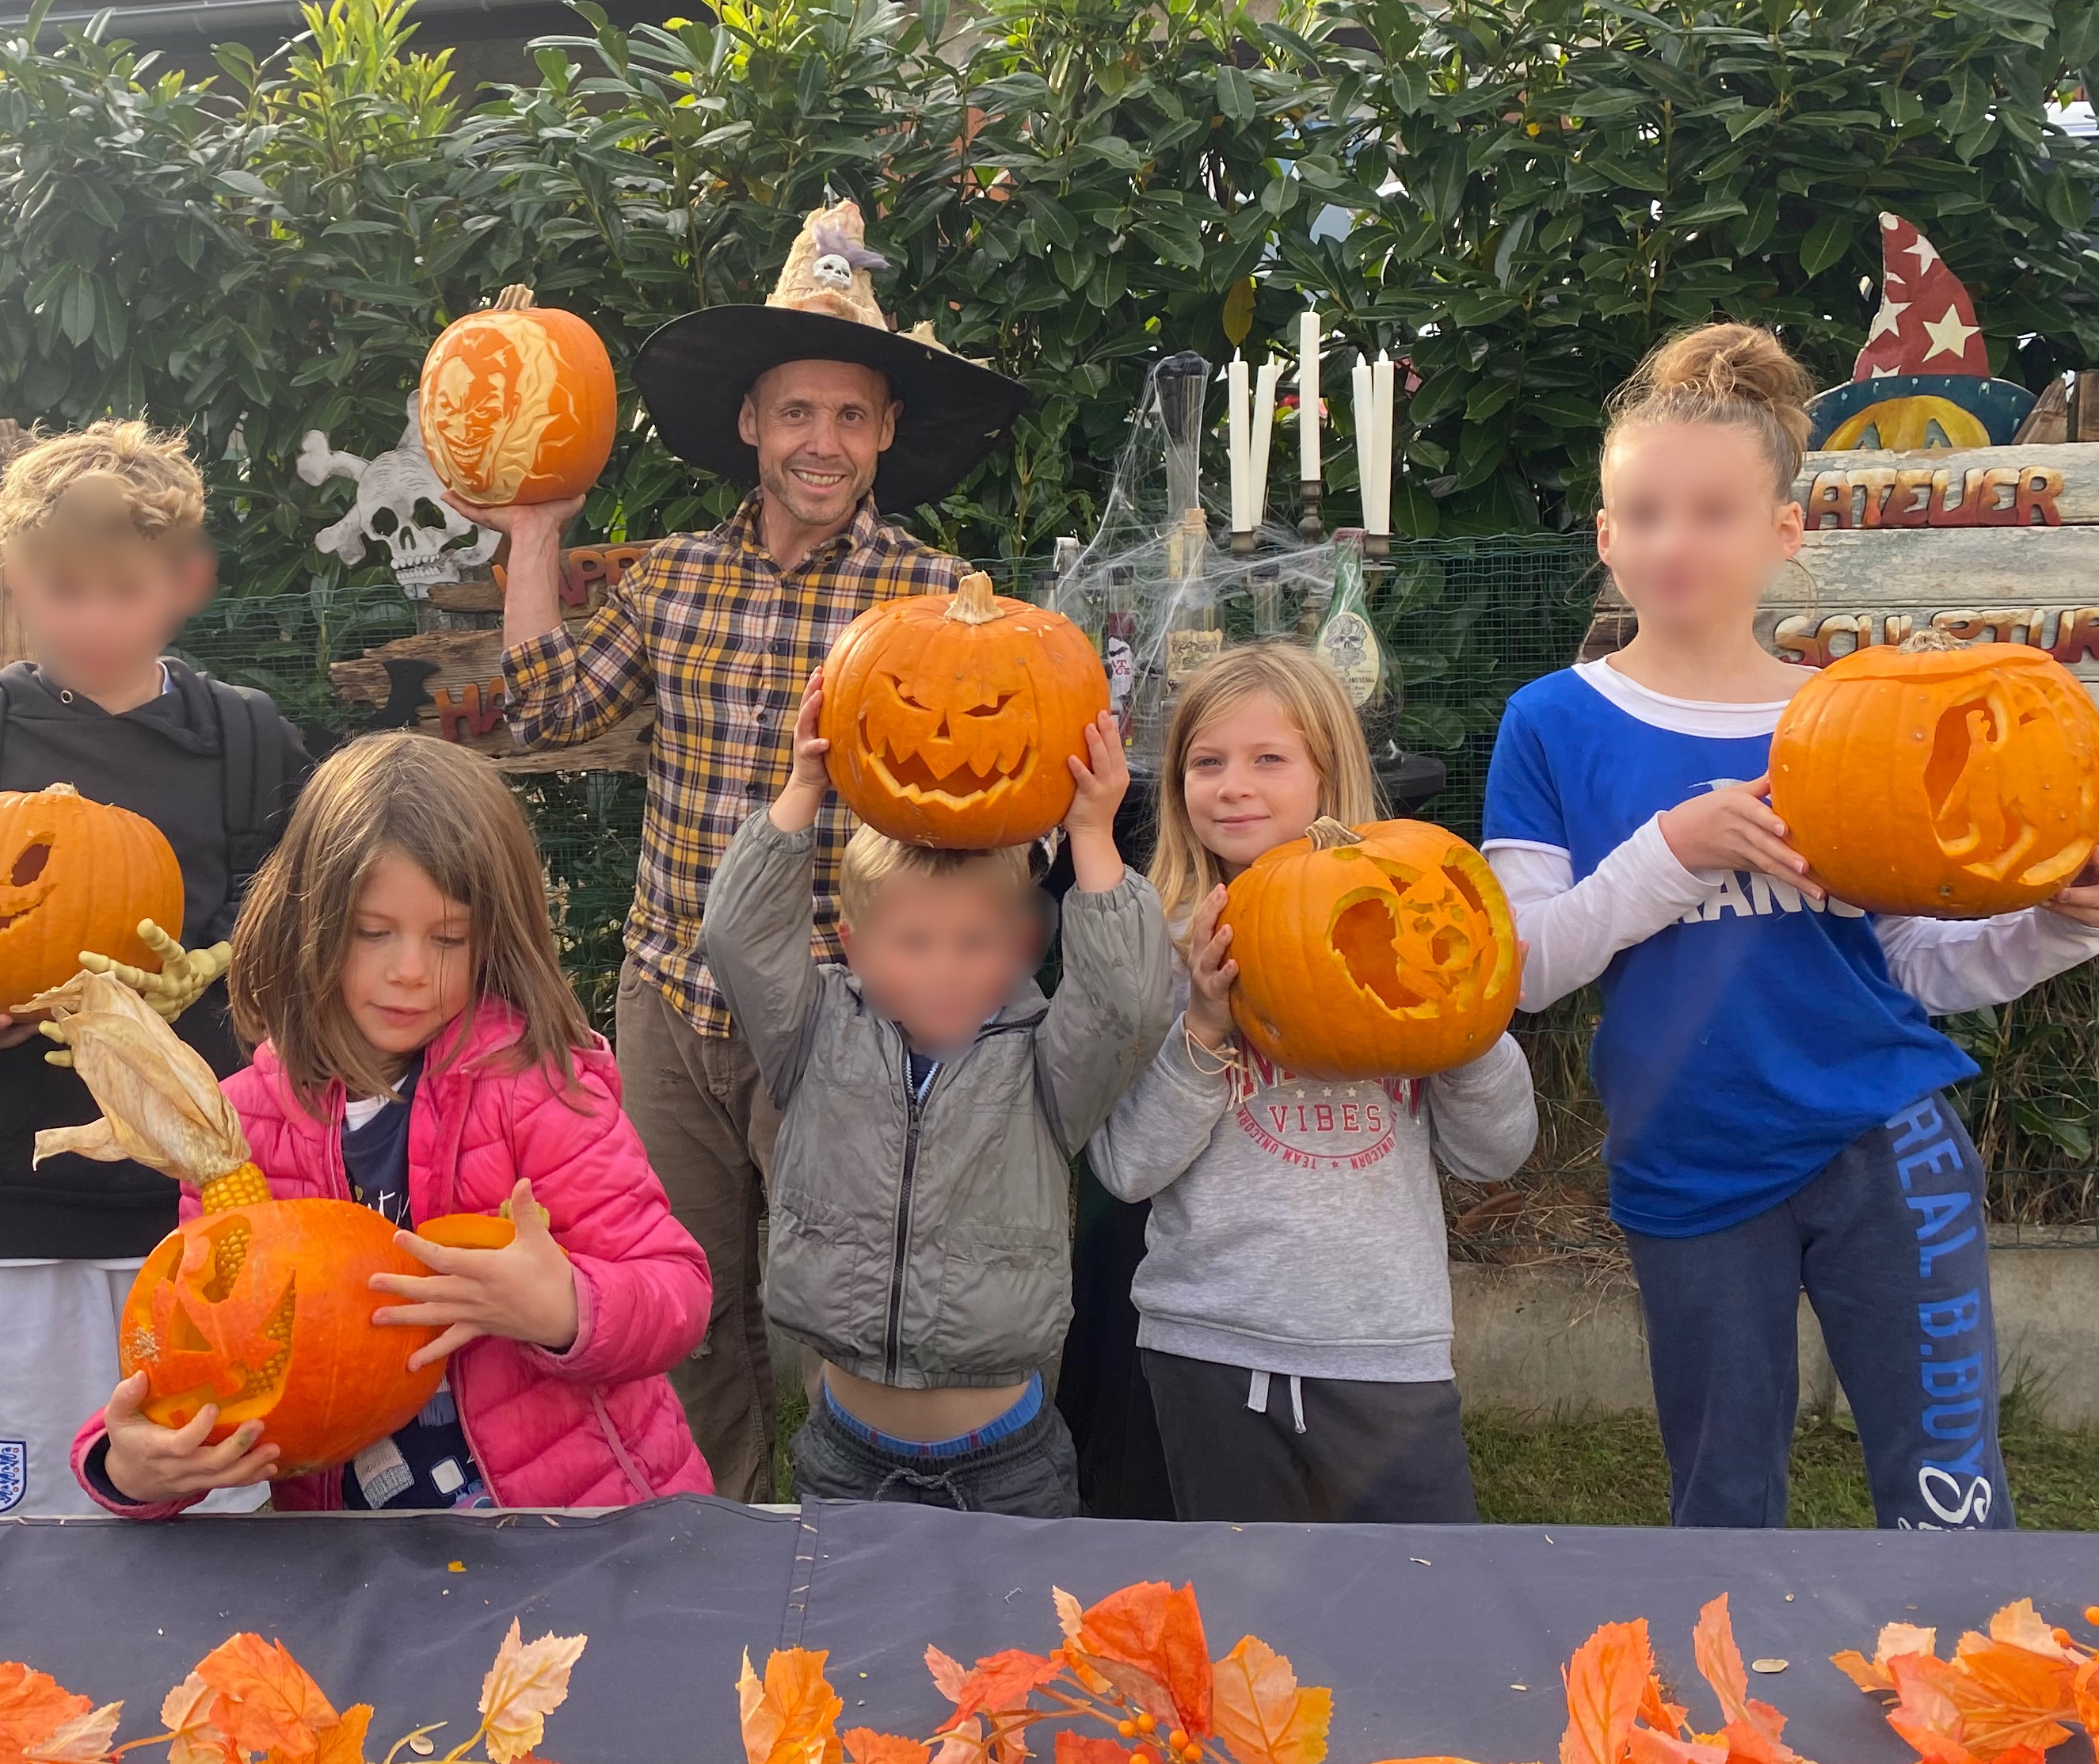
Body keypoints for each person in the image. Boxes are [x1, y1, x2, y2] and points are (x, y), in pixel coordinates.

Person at [1483, 323, 2099, 1531]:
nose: (1678, 540)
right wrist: (1672, 854)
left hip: (1887, 1142)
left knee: (1948, 1487)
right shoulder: (1552, 723)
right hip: (1689, 1155)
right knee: (1724, 1496)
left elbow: (1911, 965)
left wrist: (2066, 928)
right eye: (1647, 512)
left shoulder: (1851, 717)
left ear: (1786, 531)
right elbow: (1519, 971)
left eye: (1715, 512)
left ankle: (1966, 1706)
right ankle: (1736, 1724)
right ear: (1606, 538)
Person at [458, 200, 1025, 1499]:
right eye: (794, 412)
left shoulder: (934, 603)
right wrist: (535, 527)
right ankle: (707, 1540)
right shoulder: (669, 580)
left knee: (840, 1303)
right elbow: (548, 703)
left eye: (847, 415)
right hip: (668, 998)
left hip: (842, 1005)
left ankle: (851, 1542)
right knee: (678, 1304)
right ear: (751, 425)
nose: (818, 441)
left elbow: (983, 798)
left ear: (882, 432)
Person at [71, 734, 713, 1514]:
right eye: (374, 932)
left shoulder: (539, 1087)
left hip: (570, 1530)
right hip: (351, 1557)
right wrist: (127, 1465)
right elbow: (198, 1340)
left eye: (448, 938)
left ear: (492, 938)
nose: (410, 969)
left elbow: (674, 1292)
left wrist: (565, 1310)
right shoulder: (239, 1130)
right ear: (311, 921)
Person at [0, 421, 310, 1518]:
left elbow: (294, 967)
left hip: (206, 1214)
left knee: (215, 1503)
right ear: (16, 580)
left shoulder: (248, 746)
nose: (98, 620)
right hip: (13, 1216)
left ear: (177, 584)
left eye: (126, 591)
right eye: (66, 590)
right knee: (26, 1524)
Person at [700, 674, 1169, 1513]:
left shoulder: (1044, 1064)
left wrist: (1092, 833)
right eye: (914, 942)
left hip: (1006, 1463)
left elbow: (1127, 1003)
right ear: (853, 944)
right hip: (847, 1454)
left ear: (1022, 947)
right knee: (850, 1643)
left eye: (976, 943)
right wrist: (803, 789)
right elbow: (735, 938)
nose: (945, 971)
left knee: (1016, 1645)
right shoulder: (812, 1033)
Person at [1091, 643, 1535, 1526]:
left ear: (1328, 776)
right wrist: (1205, 1033)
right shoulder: (1165, 946)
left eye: (1269, 759)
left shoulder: (1411, 918)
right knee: (1241, 1617)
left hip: (1385, 1351)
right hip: (1209, 1345)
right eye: (1206, 763)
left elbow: (1494, 1152)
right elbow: (1127, 1167)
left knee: (1417, 1599)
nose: (1233, 785)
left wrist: (1472, 1023)